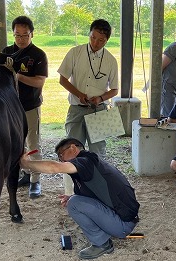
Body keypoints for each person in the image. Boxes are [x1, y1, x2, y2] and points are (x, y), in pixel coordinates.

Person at [19, 138, 140, 260]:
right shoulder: (90, 164)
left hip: (123, 225)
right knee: (74, 200)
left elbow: (54, 168)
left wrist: (26, 164)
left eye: (61, 155)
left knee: (74, 204)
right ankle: (106, 233)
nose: (61, 160)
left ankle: (102, 244)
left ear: (73, 148)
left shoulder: (86, 162)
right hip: (124, 220)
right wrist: (72, 196)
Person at [58, 19, 118, 195]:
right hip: (76, 108)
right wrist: (79, 94)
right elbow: (62, 79)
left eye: (101, 40)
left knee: (98, 152)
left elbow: (114, 89)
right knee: (71, 151)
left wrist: (100, 98)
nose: (95, 43)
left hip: (99, 110)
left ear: (107, 40)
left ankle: (98, 191)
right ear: (89, 34)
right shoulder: (75, 53)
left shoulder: (110, 60)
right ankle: (70, 193)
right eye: (93, 38)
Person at [2, 16, 48, 199]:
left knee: (33, 143)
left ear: (32, 34)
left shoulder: (38, 55)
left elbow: (39, 82)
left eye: (24, 35)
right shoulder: (6, 52)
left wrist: (18, 75)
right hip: (9, 107)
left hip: (30, 106)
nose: (21, 39)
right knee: (15, 144)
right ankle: (25, 175)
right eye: (17, 35)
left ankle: (36, 181)